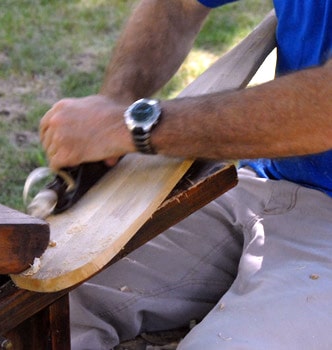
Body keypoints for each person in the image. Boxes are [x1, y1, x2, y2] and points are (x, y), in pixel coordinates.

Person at [40, 0, 332, 349]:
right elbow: (175, 6)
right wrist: (116, 100)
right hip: (264, 184)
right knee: (42, 313)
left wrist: (134, 125)